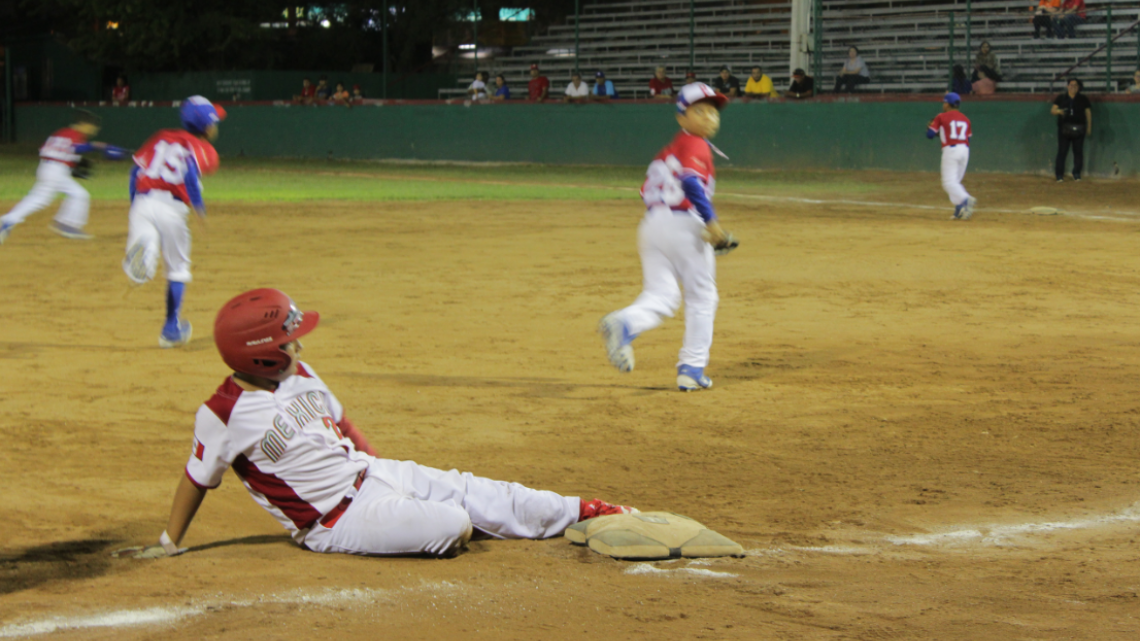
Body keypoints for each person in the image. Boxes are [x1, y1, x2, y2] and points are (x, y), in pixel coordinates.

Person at [122, 288, 636, 559]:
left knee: (475, 489)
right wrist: (170, 541)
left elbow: (343, 423)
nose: (299, 344)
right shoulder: (222, 414)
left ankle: (585, 511)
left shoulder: (299, 372)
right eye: (288, 338)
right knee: (452, 521)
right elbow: (196, 479)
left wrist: (381, 467)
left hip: (373, 475)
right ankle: (419, 516)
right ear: (257, 354)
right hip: (334, 523)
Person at [599, 82, 732, 392]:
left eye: (713, 112)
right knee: (702, 297)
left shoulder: (672, 148)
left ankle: (625, 323)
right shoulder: (695, 144)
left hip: (652, 226)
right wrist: (711, 222)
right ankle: (692, 368)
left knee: (662, 296)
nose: (709, 117)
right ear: (681, 117)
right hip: (684, 225)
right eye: (700, 111)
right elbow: (691, 183)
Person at [123, 96, 226, 348]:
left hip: (143, 200)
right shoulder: (206, 150)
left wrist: (135, 204)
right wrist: (199, 208)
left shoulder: (162, 136)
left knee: (145, 236)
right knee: (178, 268)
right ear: (205, 125)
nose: (216, 126)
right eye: (214, 121)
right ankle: (170, 329)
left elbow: (135, 172)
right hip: (173, 209)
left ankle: (143, 256)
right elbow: (190, 171)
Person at [0, 110, 128, 245]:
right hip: (55, 170)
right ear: (84, 124)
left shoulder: (61, 132)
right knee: (54, 198)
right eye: (92, 127)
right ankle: (65, 224)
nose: (93, 131)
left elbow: (52, 150)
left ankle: (63, 223)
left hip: (47, 168)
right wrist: (100, 146)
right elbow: (77, 148)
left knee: (71, 195)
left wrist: (72, 165)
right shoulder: (75, 135)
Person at [926, 92, 977, 221]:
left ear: (948, 104)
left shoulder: (941, 116)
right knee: (955, 183)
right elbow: (968, 139)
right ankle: (959, 209)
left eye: (944, 103)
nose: (943, 105)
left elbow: (930, 135)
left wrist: (932, 128)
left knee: (948, 183)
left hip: (951, 150)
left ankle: (966, 199)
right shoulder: (966, 118)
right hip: (965, 150)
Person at [1051, 78, 1092, 182]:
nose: (1073, 87)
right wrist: (1059, 111)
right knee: (1062, 152)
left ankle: (1077, 174)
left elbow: (1088, 113)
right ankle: (1059, 175)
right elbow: (1053, 110)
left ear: (1079, 88)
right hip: (1064, 129)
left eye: (1076, 85)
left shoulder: (1083, 99)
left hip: (1079, 128)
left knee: (1078, 152)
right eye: (1071, 85)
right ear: (1067, 86)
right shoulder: (1061, 97)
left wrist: (1089, 127)